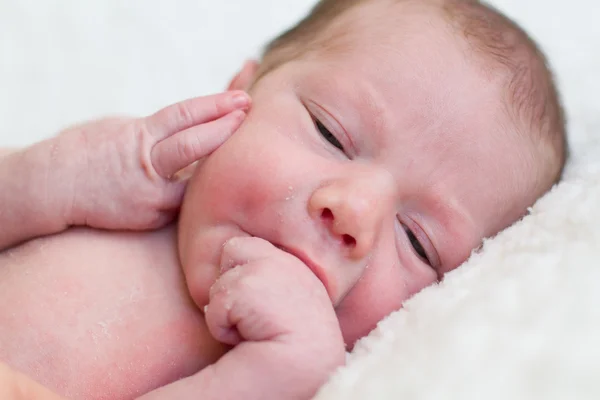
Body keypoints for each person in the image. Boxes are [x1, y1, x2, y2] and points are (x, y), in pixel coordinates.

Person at [0, 0, 567, 399]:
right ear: (237, 93)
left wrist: (275, 375)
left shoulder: (299, 371)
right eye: (330, 132)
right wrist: (43, 179)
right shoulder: (123, 170)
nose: (354, 211)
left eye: (418, 242)